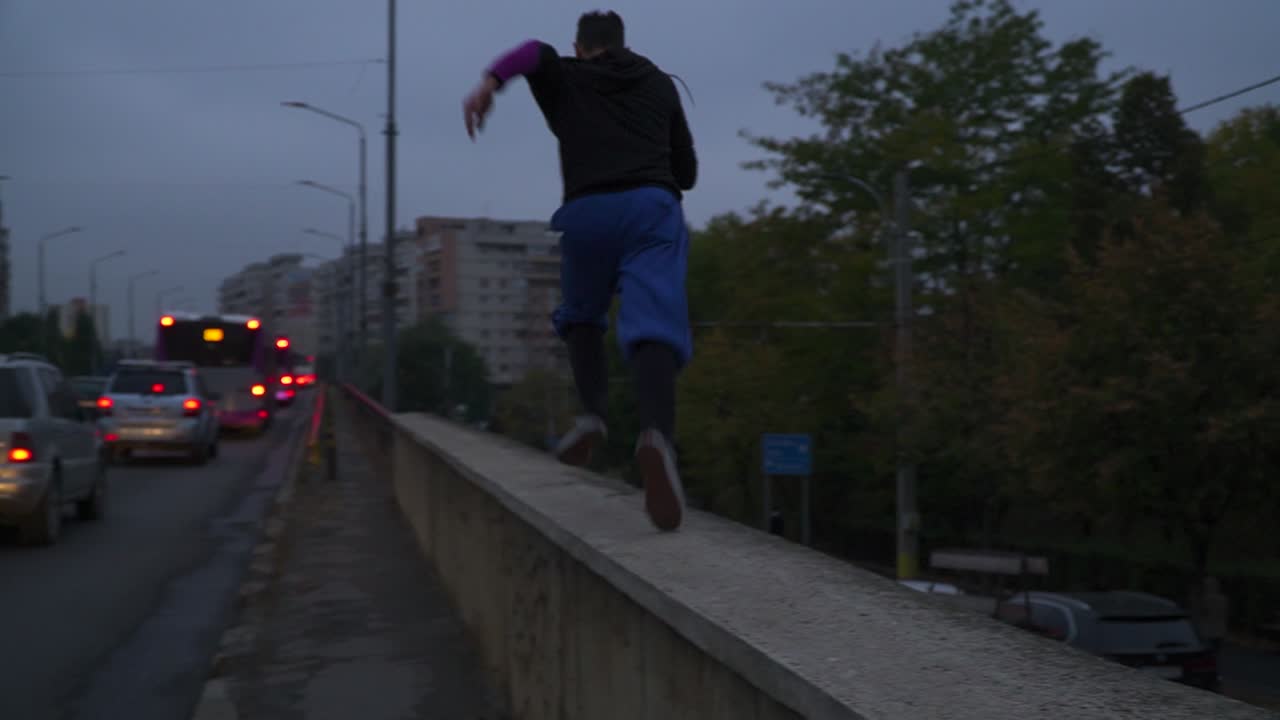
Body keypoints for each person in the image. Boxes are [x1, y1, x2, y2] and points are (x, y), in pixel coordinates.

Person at [462, 11, 697, 531]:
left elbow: (533, 52)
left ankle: (592, 414)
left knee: (582, 315)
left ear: (580, 46)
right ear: (621, 44)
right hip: (650, 209)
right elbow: (688, 173)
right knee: (654, 322)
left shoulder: (565, 75)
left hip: (588, 212)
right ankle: (657, 435)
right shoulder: (658, 84)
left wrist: (488, 84)